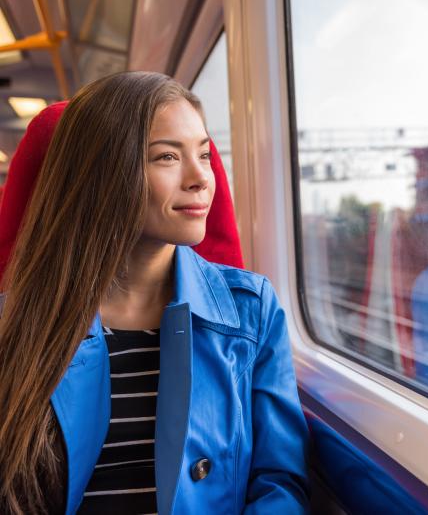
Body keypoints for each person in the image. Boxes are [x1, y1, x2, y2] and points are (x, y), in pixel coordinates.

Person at [0, 72, 310, 514]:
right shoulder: (15, 325)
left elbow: (279, 482)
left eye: (203, 155)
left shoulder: (251, 311)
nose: (201, 178)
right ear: (101, 175)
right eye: (167, 157)